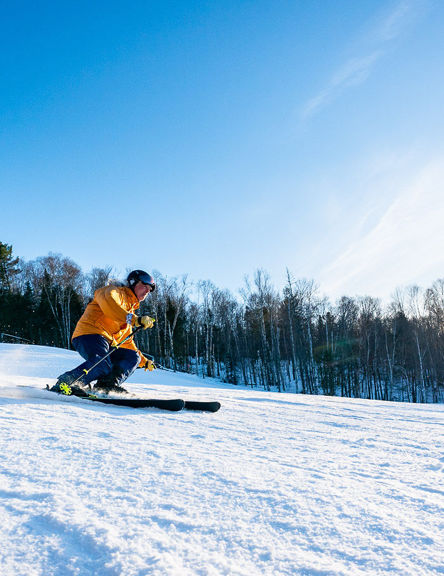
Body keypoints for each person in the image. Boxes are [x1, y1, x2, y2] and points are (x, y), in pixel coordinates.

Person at [51, 269, 156, 395]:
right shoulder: (112, 291)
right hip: (89, 334)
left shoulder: (129, 310)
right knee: (101, 363)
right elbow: (110, 305)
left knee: (133, 357)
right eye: (144, 286)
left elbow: (127, 341)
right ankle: (66, 382)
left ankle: (107, 385)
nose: (146, 292)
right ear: (133, 283)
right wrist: (135, 320)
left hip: (106, 343)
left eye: (149, 290)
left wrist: (145, 362)